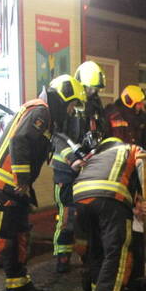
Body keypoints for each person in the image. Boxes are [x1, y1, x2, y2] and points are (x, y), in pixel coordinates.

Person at [0, 75, 85, 291]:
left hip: (16, 187)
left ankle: (17, 284)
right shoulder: (41, 112)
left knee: (18, 234)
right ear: (64, 97)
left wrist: (73, 159)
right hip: (5, 184)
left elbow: (54, 143)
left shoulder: (47, 117)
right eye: (71, 104)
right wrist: (21, 177)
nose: (71, 110)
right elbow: (19, 141)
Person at [72, 137, 146, 291]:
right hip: (110, 197)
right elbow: (145, 164)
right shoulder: (132, 148)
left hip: (80, 197)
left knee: (96, 248)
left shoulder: (96, 155)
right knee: (116, 252)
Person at [52, 69, 100, 272]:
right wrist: (73, 158)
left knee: (85, 216)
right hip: (65, 172)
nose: (92, 93)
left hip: (83, 172)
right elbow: (58, 138)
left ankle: (86, 254)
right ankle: (62, 257)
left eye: (94, 90)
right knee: (67, 217)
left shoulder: (87, 108)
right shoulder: (59, 114)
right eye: (90, 88)